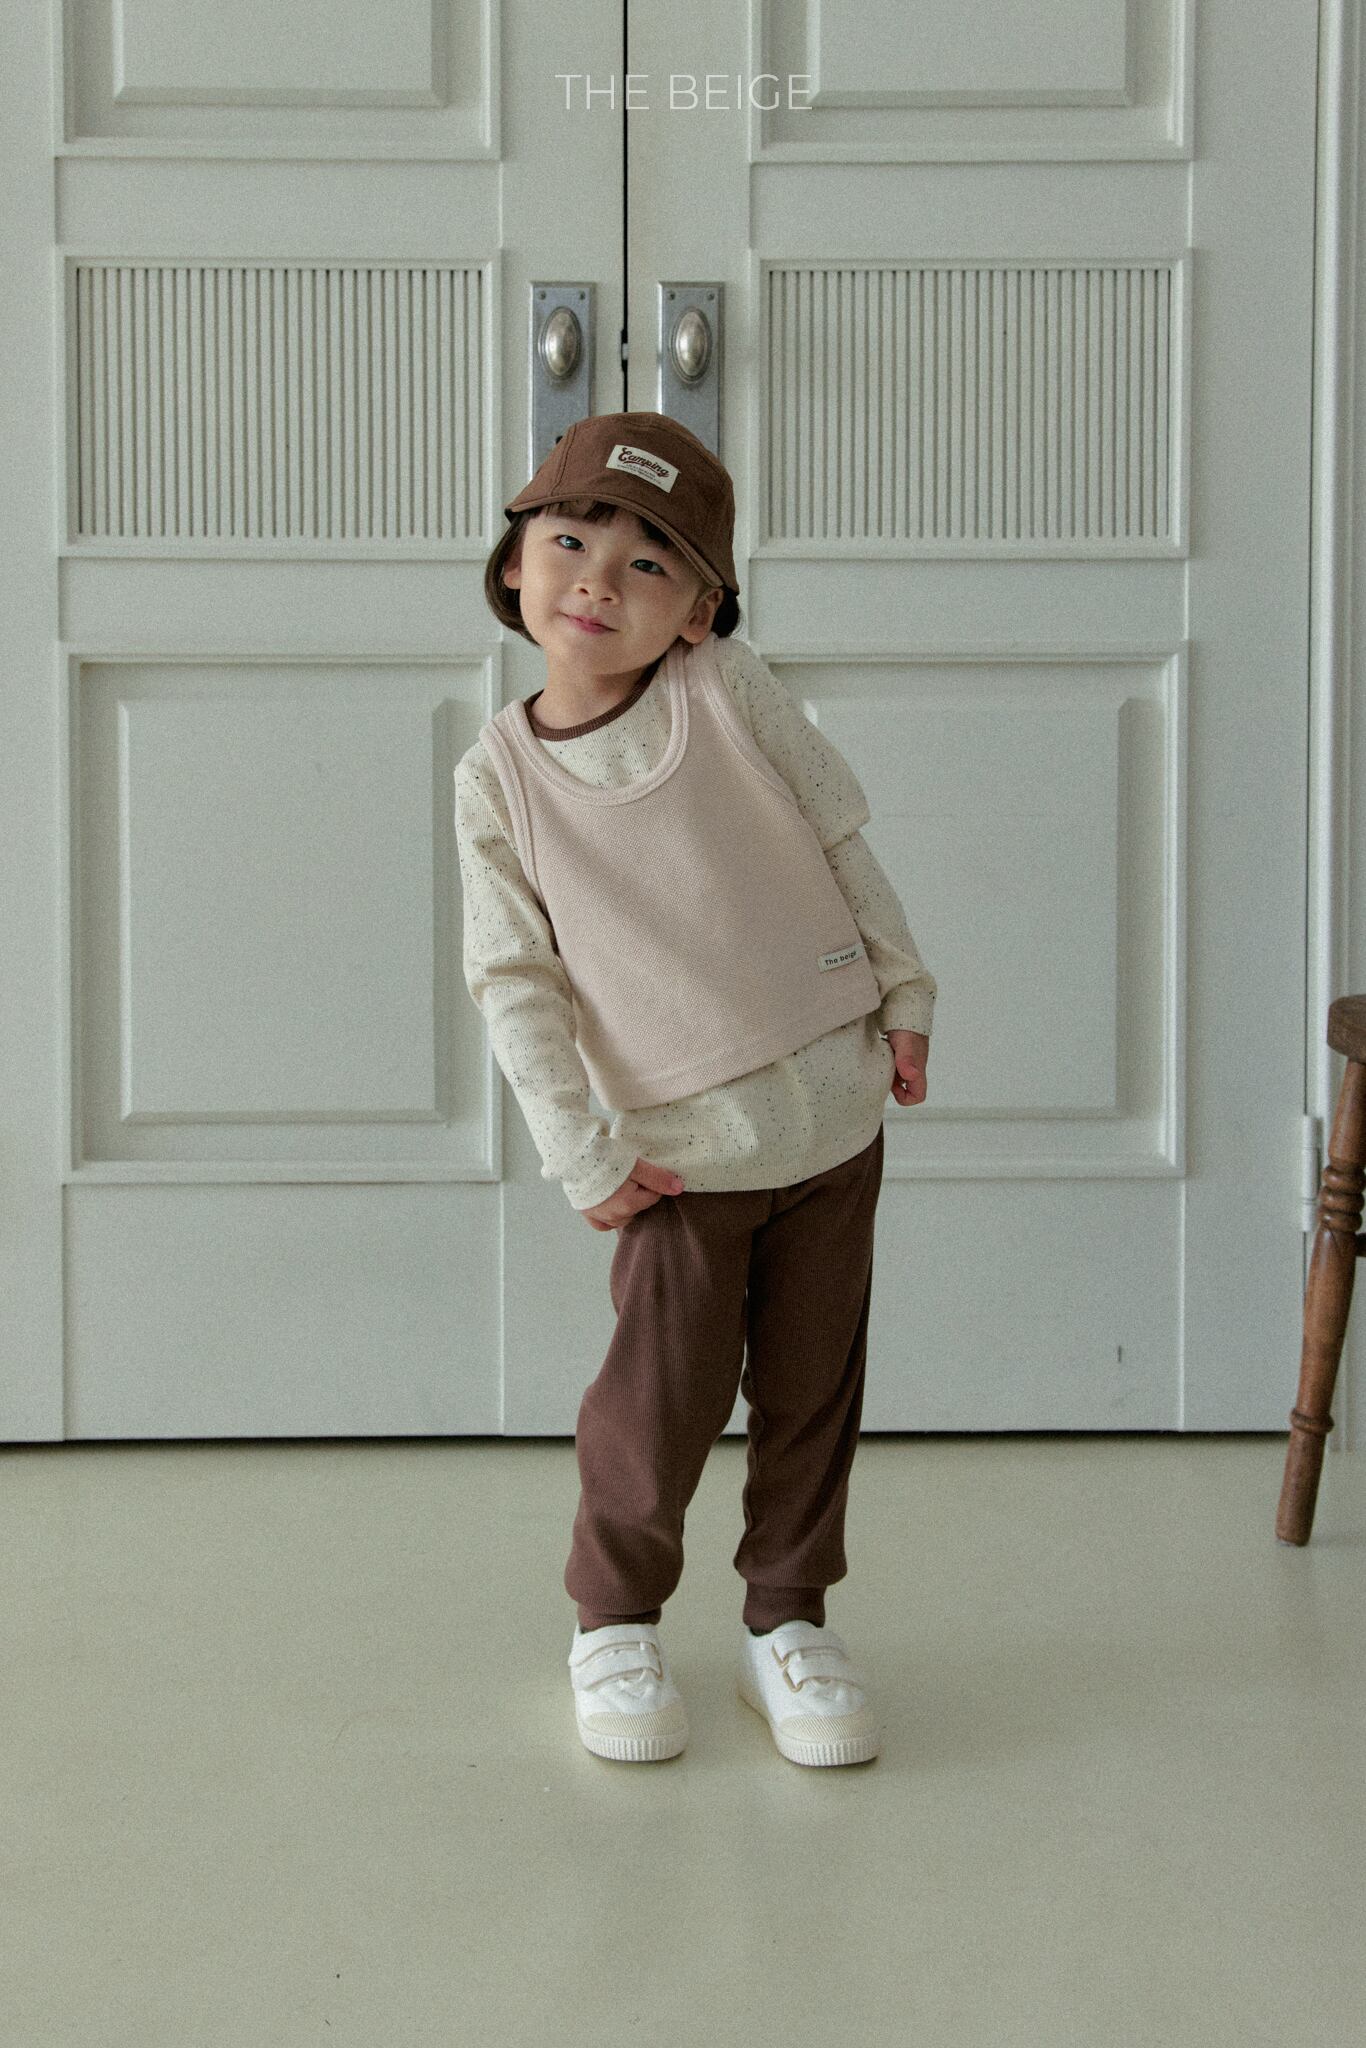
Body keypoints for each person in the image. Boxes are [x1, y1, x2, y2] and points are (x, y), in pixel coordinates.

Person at [455, 412, 937, 1767]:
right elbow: (514, 982)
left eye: (649, 563)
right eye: (569, 541)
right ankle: (613, 1622)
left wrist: (905, 993)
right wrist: (581, 1152)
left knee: (812, 1393)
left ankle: (788, 1620)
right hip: (677, 1155)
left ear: (700, 611)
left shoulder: (730, 692)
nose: (598, 582)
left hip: (832, 1118)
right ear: (513, 564)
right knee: (656, 1406)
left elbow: (840, 837)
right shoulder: (497, 780)